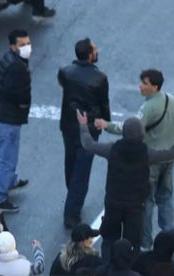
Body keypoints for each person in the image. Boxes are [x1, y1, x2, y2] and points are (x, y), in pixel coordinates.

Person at [78, 115, 174, 256]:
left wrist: (83, 126)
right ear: (142, 135)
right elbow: (172, 153)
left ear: (124, 133)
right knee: (132, 243)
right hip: (135, 207)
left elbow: (89, 145)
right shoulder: (146, 154)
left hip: (113, 203)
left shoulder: (113, 149)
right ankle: (129, 269)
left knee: (109, 238)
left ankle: (107, 268)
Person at [58, 38, 110, 228]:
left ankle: (72, 195)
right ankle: (71, 212)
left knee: (70, 162)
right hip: (88, 127)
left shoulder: (65, 72)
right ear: (89, 55)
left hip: (68, 125)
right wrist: (105, 122)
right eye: (94, 50)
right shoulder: (99, 78)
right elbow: (104, 103)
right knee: (82, 169)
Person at [0, 29, 33, 212]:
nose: (27, 48)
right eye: (22, 45)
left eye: (28, 43)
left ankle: (11, 180)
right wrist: (23, 104)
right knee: (7, 159)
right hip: (9, 119)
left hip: (0, 115)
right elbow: (15, 92)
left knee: (4, 153)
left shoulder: (9, 59)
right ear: (13, 46)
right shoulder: (17, 67)